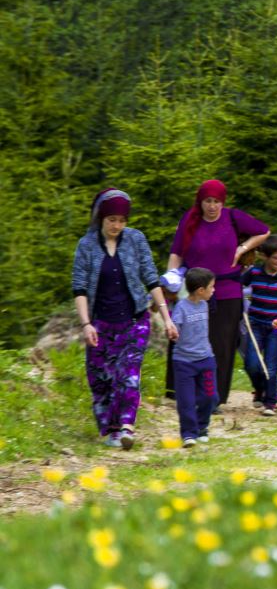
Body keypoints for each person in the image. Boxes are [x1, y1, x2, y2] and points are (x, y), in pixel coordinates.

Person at [72, 188, 178, 449]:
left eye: (122, 221)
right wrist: (86, 324)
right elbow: (79, 287)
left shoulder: (136, 240)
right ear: (101, 219)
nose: (117, 226)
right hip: (100, 323)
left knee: (129, 375)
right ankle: (110, 429)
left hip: (134, 320)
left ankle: (127, 426)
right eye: (112, 220)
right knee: (101, 379)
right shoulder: (86, 246)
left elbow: (152, 279)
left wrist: (167, 318)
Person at [165, 179, 270, 407]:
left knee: (221, 344)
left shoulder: (233, 217)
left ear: (223, 202)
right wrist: (170, 279)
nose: (212, 206)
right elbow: (176, 253)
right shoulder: (190, 220)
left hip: (227, 291)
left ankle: (213, 397)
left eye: (216, 202)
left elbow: (264, 231)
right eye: (207, 201)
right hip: (193, 291)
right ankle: (183, 390)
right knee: (186, 339)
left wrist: (243, 248)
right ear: (200, 202)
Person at [241, 234, 277, 415]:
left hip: (275, 327)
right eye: (276, 257)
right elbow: (237, 286)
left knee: (270, 365)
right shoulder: (254, 272)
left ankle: (270, 403)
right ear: (265, 256)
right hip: (255, 324)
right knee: (251, 364)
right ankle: (260, 390)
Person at [171, 268, 218, 447]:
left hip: (206, 359)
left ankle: (202, 427)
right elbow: (175, 328)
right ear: (200, 290)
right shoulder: (181, 307)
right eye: (211, 287)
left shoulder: (205, 304)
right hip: (184, 362)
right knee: (186, 401)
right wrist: (174, 332)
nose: (213, 290)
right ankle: (189, 434)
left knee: (210, 396)